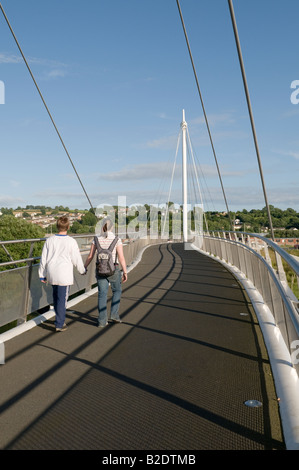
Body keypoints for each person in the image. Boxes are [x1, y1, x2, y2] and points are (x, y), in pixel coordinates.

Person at [38, 215, 86, 332]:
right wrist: (82, 270)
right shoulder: (71, 242)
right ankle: (59, 323)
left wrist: (42, 274)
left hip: (52, 273)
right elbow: (76, 259)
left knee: (56, 297)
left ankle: (59, 319)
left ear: (57, 226)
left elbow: (43, 259)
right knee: (62, 299)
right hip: (64, 275)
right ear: (68, 227)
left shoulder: (49, 241)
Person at [84, 217, 127, 327]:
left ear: (102, 227)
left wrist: (84, 267)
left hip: (100, 270)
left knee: (102, 295)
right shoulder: (117, 239)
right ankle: (114, 315)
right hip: (114, 270)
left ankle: (102, 322)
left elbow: (90, 256)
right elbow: (121, 257)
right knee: (117, 291)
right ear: (112, 227)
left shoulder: (96, 239)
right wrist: (125, 272)